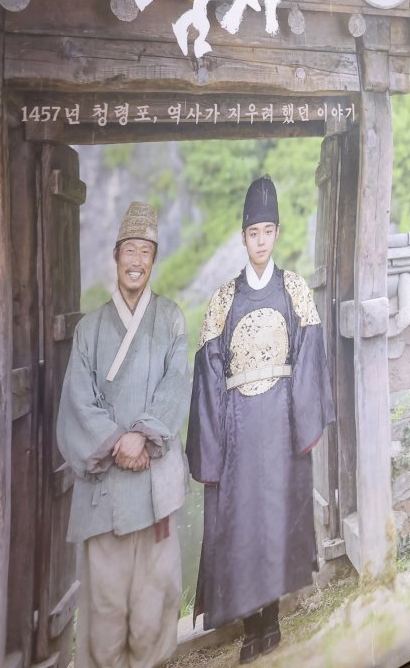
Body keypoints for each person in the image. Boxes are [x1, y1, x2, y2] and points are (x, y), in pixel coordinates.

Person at [188, 176, 335, 664]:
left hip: (281, 424)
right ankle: (251, 627)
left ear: (277, 234)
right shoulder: (223, 300)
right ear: (243, 237)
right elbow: (209, 372)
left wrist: (302, 421)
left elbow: (309, 356)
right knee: (242, 524)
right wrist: (215, 442)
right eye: (254, 233)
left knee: (276, 517)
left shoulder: (294, 290)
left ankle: (272, 620)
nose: (261, 241)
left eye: (268, 231)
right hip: (238, 430)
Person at [56, 202, 191, 668]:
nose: (136, 261)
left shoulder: (171, 319)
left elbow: (176, 385)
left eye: (145, 252)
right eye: (129, 250)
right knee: (106, 607)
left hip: (155, 485)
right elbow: (77, 401)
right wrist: (119, 441)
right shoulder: (89, 329)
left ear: (154, 260)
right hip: (107, 491)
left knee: (154, 600)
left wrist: (144, 434)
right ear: (116, 257)